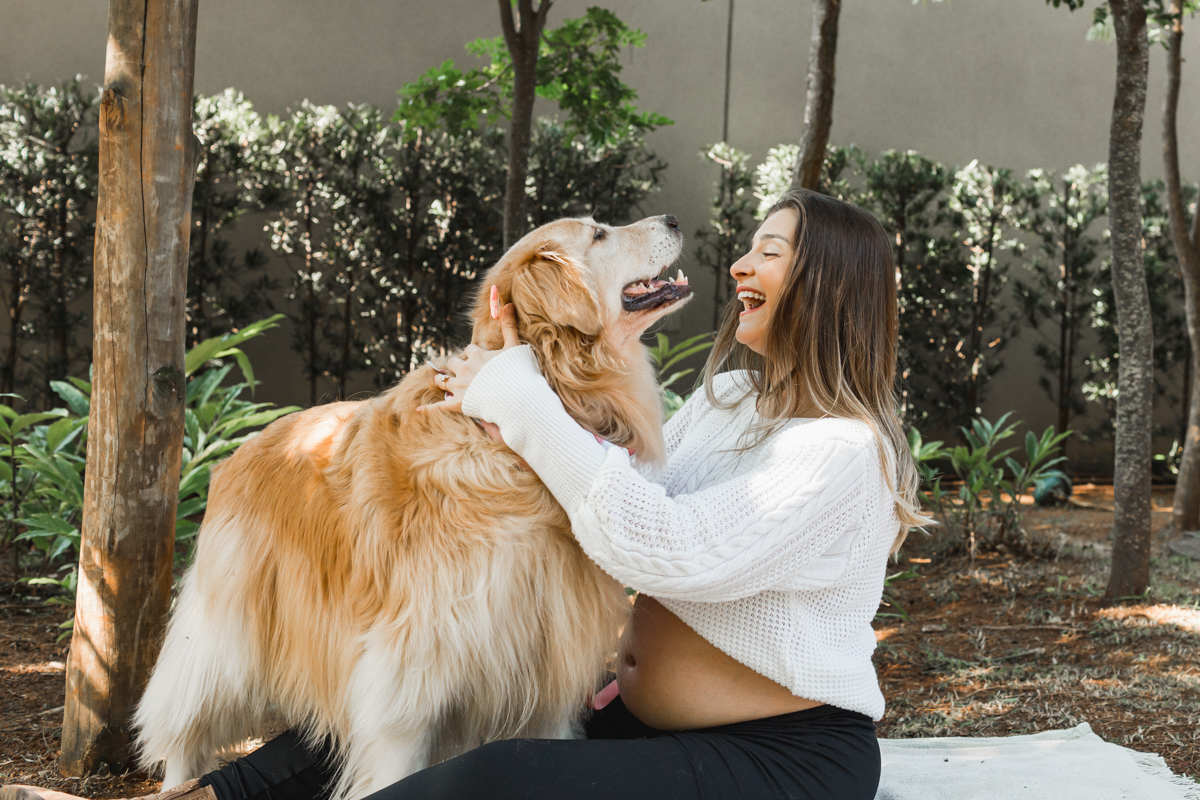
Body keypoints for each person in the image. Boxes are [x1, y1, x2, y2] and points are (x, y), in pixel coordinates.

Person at [3, 188, 928, 800]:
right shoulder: (730, 402)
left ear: (829, 288)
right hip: (633, 717)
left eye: (770, 252)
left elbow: (666, 547)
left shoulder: (842, 451)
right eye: (751, 248)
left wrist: (524, 402)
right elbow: (619, 492)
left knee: (492, 780)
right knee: (327, 743)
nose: (740, 267)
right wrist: (523, 406)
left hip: (783, 760)